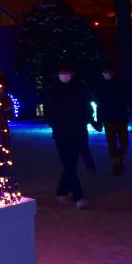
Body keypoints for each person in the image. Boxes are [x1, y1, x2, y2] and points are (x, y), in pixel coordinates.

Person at [44, 64, 96, 210]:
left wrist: (86, 122)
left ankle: (61, 191)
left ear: (72, 73)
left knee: (70, 163)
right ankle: (78, 195)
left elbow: (87, 110)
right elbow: (49, 112)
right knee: (68, 163)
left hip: (78, 132)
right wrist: (56, 125)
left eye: (66, 72)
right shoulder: (53, 91)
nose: (63, 75)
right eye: (61, 72)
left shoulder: (80, 89)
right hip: (62, 133)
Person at [98, 68, 132, 175]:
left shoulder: (121, 84)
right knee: (112, 144)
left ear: (112, 72)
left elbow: (130, 99)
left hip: (121, 118)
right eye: (103, 72)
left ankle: (118, 160)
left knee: (124, 143)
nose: (105, 74)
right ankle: (116, 165)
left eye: (107, 72)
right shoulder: (102, 86)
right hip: (109, 119)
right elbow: (100, 104)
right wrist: (99, 120)